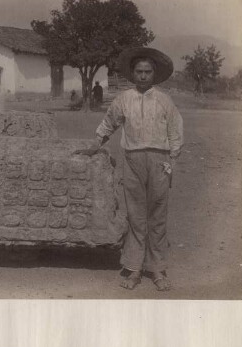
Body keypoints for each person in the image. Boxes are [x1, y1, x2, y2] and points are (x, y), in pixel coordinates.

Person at [75, 47, 183, 291]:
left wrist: (171, 162)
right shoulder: (123, 99)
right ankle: (134, 269)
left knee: (157, 216)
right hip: (132, 160)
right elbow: (109, 123)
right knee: (135, 216)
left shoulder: (165, 101)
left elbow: (176, 133)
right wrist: (95, 144)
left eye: (147, 72)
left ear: (154, 74)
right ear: (132, 74)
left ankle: (157, 269)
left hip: (159, 161)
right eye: (139, 72)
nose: (143, 76)